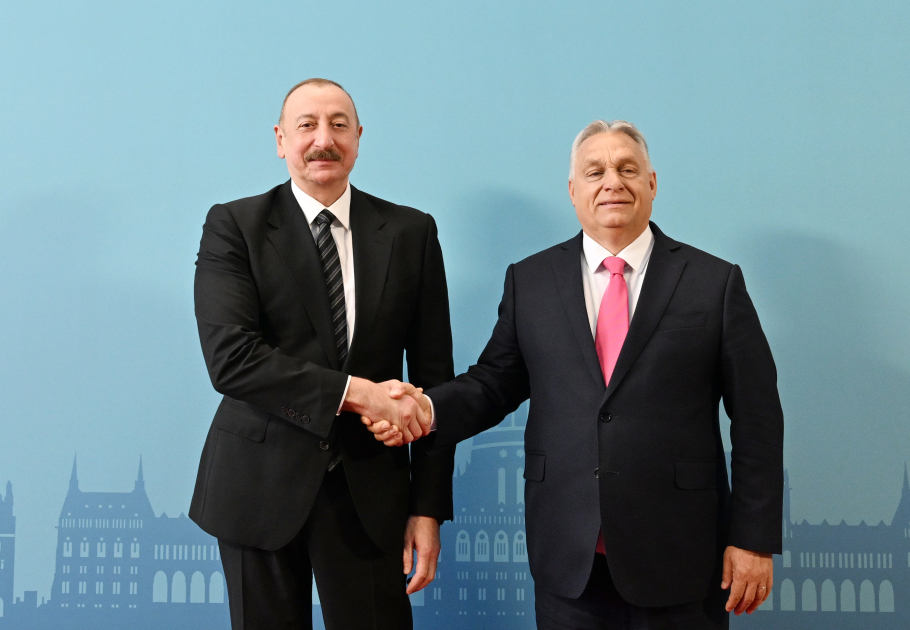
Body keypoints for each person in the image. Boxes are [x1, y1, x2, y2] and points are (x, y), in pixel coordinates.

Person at [366, 120, 784, 629]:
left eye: (627, 169)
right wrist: (425, 409)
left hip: (679, 555)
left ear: (652, 183)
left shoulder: (714, 282)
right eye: (595, 171)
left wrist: (752, 538)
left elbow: (758, 419)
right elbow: (493, 382)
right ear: (572, 190)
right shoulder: (530, 281)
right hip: (568, 561)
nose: (612, 182)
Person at [189, 78, 456, 630]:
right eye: (307, 125)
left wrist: (427, 508)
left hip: (370, 495)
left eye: (338, 125)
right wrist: (358, 395)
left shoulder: (411, 232)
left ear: (358, 137)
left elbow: (435, 381)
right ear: (280, 140)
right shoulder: (234, 226)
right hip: (257, 488)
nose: (323, 140)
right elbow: (232, 359)